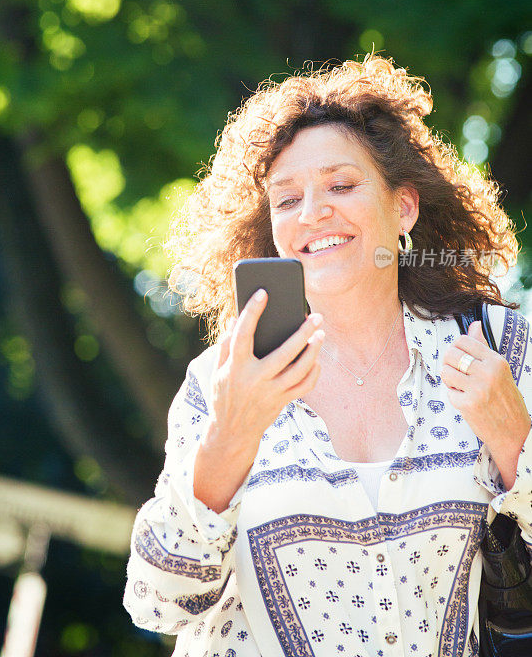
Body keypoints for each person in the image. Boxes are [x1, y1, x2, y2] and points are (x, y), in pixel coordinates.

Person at [123, 55, 532, 657]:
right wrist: (229, 439)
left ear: (405, 209)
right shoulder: (220, 380)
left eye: (341, 186)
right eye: (286, 200)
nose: (312, 213)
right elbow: (156, 600)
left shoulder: (501, 350)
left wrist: (516, 442)